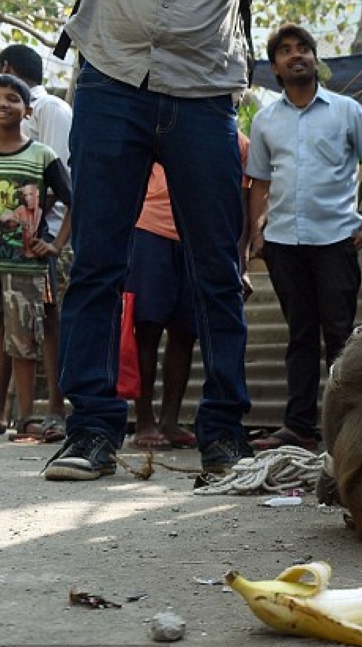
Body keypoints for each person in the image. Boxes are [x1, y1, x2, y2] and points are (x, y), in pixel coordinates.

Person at [43, 0, 253, 481]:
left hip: (205, 79)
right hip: (113, 71)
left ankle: (223, 432)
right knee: (97, 263)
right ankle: (92, 428)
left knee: (216, 270)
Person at [245, 24, 362, 452]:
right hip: (284, 244)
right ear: (275, 66)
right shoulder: (266, 120)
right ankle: (297, 427)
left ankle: (346, 428)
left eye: (304, 48)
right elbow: (257, 180)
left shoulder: (346, 111)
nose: (297, 55)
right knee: (300, 336)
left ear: (315, 59)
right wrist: (257, 233)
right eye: (286, 51)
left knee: (341, 337)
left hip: (334, 240)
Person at [127, 131, 252, 451]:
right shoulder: (159, 124)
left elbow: (241, 199)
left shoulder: (238, 142)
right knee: (147, 326)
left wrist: (241, 258)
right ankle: (143, 419)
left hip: (200, 237)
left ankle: (169, 420)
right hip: (150, 228)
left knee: (185, 331)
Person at [0, 44, 73, 442]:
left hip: (40, 240)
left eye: (11, 96)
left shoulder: (51, 110)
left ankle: (47, 412)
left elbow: (61, 177)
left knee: (40, 324)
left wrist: (25, 221)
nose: (1, 103)